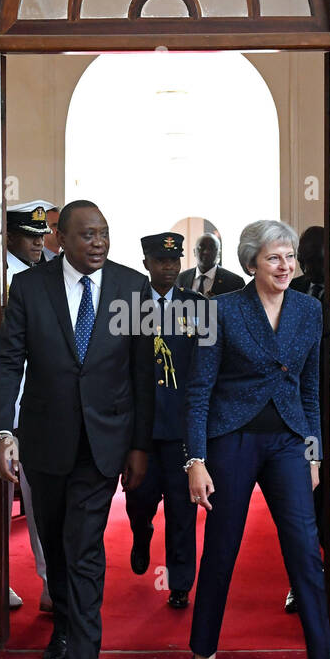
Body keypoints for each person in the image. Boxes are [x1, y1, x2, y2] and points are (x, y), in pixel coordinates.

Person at [184, 219, 330, 659]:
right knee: (222, 547)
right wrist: (195, 460)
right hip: (232, 440)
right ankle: (204, 654)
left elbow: (310, 390)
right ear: (251, 264)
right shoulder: (221, 310)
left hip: (289, 441)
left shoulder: (309, 311)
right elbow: (199, 390)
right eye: (274, 257)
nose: (285, 265)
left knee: (306, 554)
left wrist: (313, 453)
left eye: (289, 256)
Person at [0, 199, 154, 659]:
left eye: (103, 233)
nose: (98, 243)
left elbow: (143, 374)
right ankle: (60, 626)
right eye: (86, 235)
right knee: (56, 546)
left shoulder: (132, 287)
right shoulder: (30, 288)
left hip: (103, 446)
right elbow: (9, 361)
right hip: (44, 440)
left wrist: (140, 445)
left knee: (84, 550)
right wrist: (2, 433)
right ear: (60, 237)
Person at [124, 232, 204, 609]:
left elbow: (209, 370)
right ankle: (141, 536)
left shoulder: (198, 306)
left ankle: (180, 582)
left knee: (181, 509)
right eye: (161, 261)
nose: (169, 268)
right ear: (147, 264)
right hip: (139, 430)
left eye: (174, 261)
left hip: (181, 430)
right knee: (138, 502)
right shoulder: (127, 307)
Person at [4, 201, 55, 613]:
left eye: (41, 235)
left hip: (38, 405)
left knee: (39, 502)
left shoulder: (45, 273)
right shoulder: (0, 275)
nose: (38, 243)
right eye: (30, 236)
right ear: (10, 236)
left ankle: (51, 584)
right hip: (6, 403)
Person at [285, 224, 328, 614]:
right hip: (296, 413)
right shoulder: (293, 291)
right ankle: (299, 582)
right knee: (303, 502)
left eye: (317, 260)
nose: (309, 268)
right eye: (305, 260)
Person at [178, 232, 243, 297]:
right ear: (194, 251)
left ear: (218, 253)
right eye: (201, 247)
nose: (206, 252)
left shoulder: (235, 282)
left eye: (211, 248)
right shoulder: (180, 279)